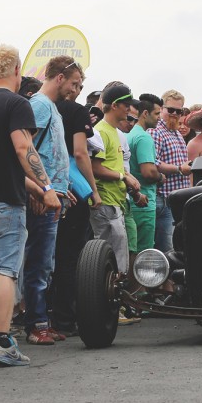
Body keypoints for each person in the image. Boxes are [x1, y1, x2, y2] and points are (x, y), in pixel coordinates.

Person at [0, 44, 63, 367]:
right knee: (6, 269)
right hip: (4, 201)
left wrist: (36, 189)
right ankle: (3, 342)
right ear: (18, 69)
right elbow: (24, 149)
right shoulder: (17, 103)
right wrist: (47, 187)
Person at [22, 58, 75, 346]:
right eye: (74, 83)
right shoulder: (40, 105)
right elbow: (26, 147)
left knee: (46, 262)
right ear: (60, 77)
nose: (75, 90)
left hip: (54, 194)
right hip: (43, 195)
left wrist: (63, 188)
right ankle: (36, 324)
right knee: (39, 262)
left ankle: (42, 320)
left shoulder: (50, 106)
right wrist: (40, 189)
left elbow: (52, 152)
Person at [49, 56, 99, 339]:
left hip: (48, 187)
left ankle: (47, 317)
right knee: (72, 257)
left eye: (81, 86)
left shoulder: (41, 106)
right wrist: (93, 190)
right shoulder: (76, 111)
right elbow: (80, 153)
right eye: (75, 84)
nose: (77, 90)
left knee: (51, 256)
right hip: (74, 191)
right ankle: (66, 318)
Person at [90, 83, 143, 326]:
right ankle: (109, 309)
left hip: (116, 202)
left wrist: (127, 180)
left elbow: (113, 165)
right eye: (126, 105)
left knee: (119, 257)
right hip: (105, 204)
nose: (129, 110)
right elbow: (95, 168)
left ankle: (117, 306)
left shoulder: (113, 131)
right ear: (114, 106)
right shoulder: (100, 131)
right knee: (107, 261)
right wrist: (124, 177)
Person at [151, 89, 191, 253]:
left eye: (178, 111)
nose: (174, 114)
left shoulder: (176, 133)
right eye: (171, 110)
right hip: (164, 199)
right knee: (167, 249)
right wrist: (179, 169)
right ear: (161, 109)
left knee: (177, 247)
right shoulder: (156, 131)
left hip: (178, 199)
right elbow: (153, 164)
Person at [127, 94, 163, 261]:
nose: (159, 118)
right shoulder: (143, 137)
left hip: (132, 201)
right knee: (143, 254)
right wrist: (160, 177)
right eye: (157, 114)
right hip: (144, 203)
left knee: (132, 251)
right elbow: (148, 172)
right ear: (145, 113)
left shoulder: (130, 134)